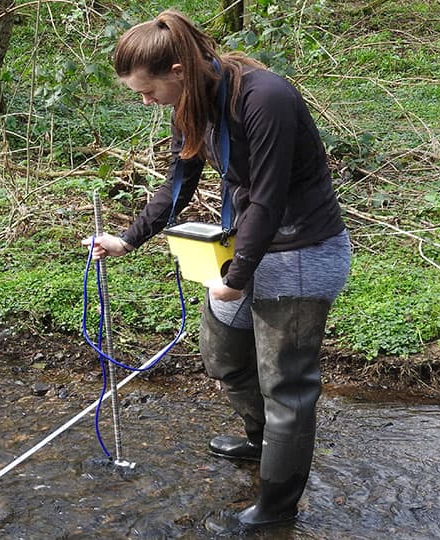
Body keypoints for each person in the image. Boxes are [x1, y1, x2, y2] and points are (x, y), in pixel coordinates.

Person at [83, 9, 351, 532]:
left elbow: (269, 199)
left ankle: (275, 510)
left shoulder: (264, 97)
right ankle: (261, 441)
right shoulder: (198, 102)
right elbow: (181, 178)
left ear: (179, 70)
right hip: (249, 246)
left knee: (287, 387)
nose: (146, 101)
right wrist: (129, 238)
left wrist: (235, 276)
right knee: (222, 353)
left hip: (300, 252)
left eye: (147, 90)